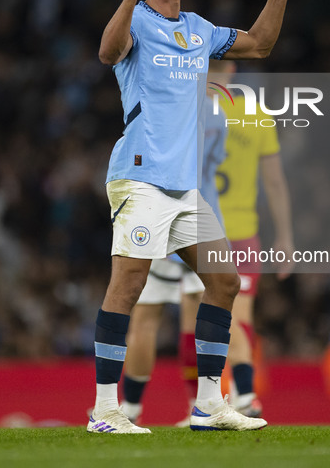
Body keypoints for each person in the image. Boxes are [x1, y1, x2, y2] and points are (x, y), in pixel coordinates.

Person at [88, 0, 299, 434]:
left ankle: (209, 404)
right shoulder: (135, 20)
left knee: (224, 281)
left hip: (185, 187)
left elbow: (261, 44)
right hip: (140, 178)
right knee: (129, 284)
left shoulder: (200, 30)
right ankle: (105, 410)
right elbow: (107, 52)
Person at [120, 77, 227, 426]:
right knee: (196, 318)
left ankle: (131, 408)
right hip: (203, 221)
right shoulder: (216, 113)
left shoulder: (163, 111)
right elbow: (215, 163)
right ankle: (200, 405)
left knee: (144, 320)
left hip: (164, 219)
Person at [212, 61, 295, 417]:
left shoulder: (188, 110)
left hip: (201, 232)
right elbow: (274, 182)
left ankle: (218, 396)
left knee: (208, 316)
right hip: (244, 234)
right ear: (231, 68)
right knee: (237, 316)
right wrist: (285, 237)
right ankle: (245, 395)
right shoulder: (258, 114)